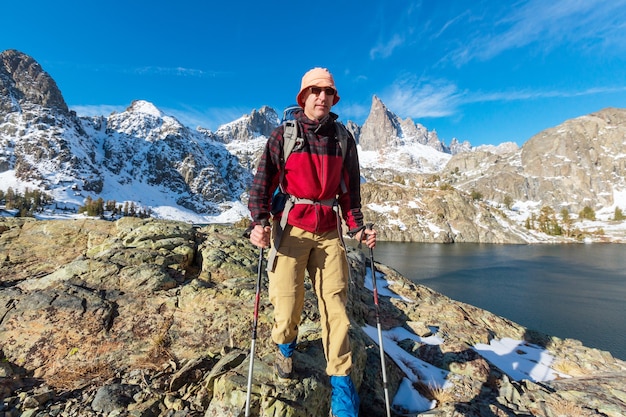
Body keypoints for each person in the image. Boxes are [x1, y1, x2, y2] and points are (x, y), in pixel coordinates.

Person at [248, 67, 376, 417]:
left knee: (335, 307)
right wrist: (258, 223)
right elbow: (262, 185)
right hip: (290, 228)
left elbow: (350, 193)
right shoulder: (283, 136)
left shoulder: (343, 139)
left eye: (328, 92)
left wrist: (358, 228)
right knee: (286, 302)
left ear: (334, 98)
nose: (322, 97)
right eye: (315, 91)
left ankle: (341, 385)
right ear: (302, 97)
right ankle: (285, 347)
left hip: (329, 231)